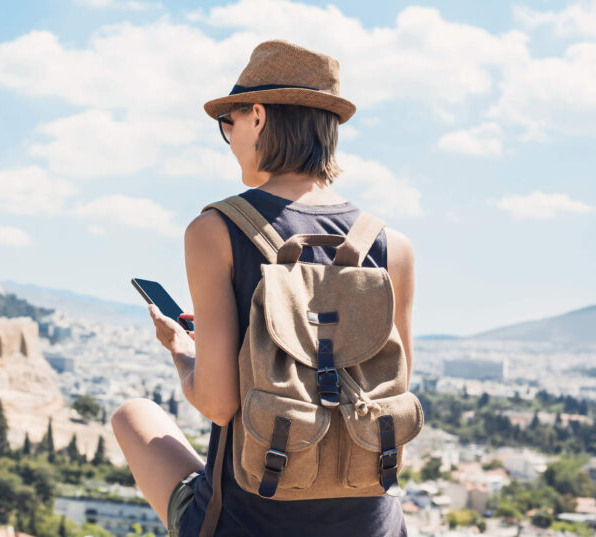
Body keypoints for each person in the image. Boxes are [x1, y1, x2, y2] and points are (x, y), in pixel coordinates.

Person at [110, 40, 415, 537]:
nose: (229, 138)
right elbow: (391, 389)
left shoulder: (216, 230)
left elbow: (219, 404)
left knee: (133, 414)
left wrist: (184, 353)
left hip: (246, 523)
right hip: (373, 525)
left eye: (227, 123)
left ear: (257, 116)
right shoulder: (391, 245)